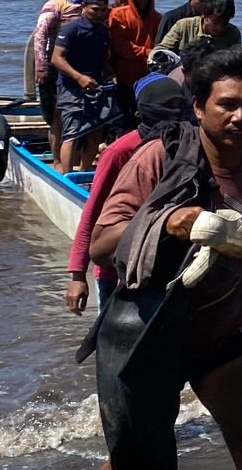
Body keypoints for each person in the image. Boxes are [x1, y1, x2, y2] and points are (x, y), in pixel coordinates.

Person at [87, 46, 242, 470]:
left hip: (221, 332)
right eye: (227, 105)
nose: (240, 117)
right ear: (198, 107)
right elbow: (100, 246)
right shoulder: (159, 158)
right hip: (150, 332)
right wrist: (167, 221)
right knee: (132, 467)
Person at [65, 74, 190, 314]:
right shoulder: (119, 152)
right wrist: (78, 275)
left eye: (179, 105)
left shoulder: (185, 145)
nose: (176, 112)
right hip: (115, 271)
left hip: (163, 267)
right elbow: (92, 213)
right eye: (167, 106)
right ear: (145, 109)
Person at [52, 0, 119, 172]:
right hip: (71, 87)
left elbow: (102, 59)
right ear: (84, 7)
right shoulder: (71, 29)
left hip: (95, 87)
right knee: (72, 135)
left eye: (103, 10)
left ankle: (85, 173)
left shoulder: (103, 30)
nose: (100, 14)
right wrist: (79, 77)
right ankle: (66, 178)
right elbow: (56, 58)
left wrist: (111, 74)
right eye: (95, 10)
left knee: (95, 134)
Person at [33, 0, 100, 159]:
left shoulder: (93, 8)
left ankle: (78, 156)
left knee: (82, 113)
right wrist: (41, 66)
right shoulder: (56, 6)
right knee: (57, 115)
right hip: (54, 66)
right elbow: (40, 35)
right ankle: (57, 159)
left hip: (81, 67)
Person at [107, 0, 161, 127]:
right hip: (123, 77)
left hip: (147, 78)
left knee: (144, 120)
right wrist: (148, 52)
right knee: (122, 122)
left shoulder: (158, 18)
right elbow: (121, 46)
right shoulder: (118, 14)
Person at [159, 0, 241, 54]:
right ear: (204, 15)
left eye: (225, 22)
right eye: (216, 21)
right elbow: (161, 49)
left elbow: (237, 58)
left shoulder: (233, 33)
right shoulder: (183, 26)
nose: (220, 27)